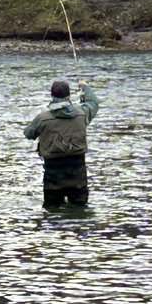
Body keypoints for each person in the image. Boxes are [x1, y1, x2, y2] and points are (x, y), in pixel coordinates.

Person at [24, 79, 99, 208]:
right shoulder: (82, 114)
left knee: (52, 210)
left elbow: (28, 134)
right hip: (78, 172)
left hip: (53, 173)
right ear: (68, 96)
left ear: (52, 96)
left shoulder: (42, 118)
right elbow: (93, 103)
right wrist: (85, 87)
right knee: (80, 209)